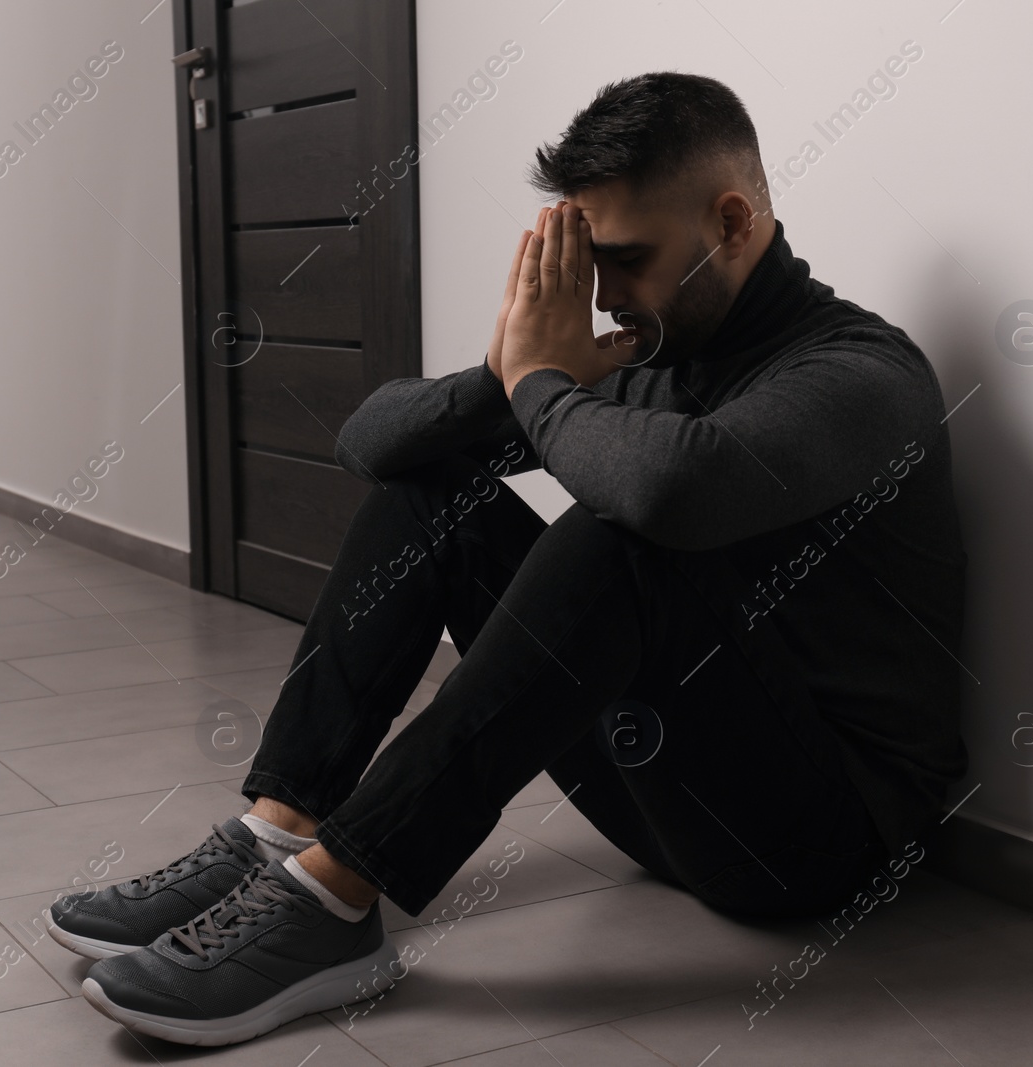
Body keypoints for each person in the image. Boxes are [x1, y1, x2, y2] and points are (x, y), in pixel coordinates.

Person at [50, 71, 969, 1047]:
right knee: (432, 496)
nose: (601, 294)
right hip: (663, 797)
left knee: (620, 538)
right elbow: (371, 446)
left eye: (621, 259)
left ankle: (332, 899)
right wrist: (506, 373)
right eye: (584, 261)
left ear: (732, 222)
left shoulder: (861, 376)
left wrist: (542, 380)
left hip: (819, 841)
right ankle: (279, 830)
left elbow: (675, 491)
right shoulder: (648, 359)